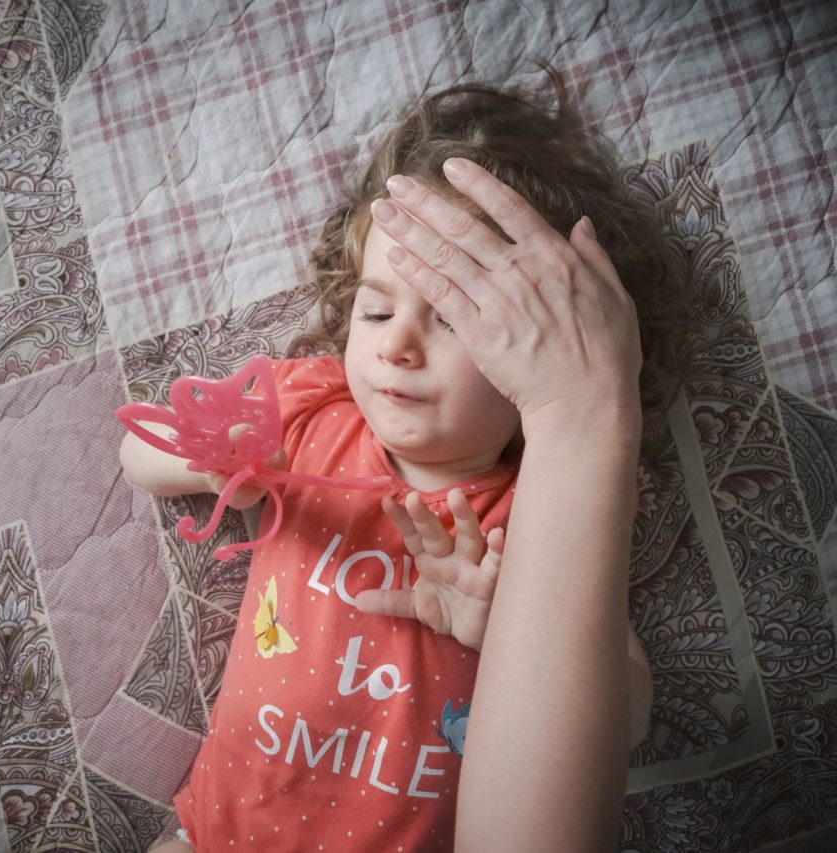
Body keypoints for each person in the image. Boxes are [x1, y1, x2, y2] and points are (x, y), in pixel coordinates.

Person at [125, 65, 692, 852]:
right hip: (217, 833)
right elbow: (140, 448)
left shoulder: (541, 512)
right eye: (377, 309)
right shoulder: (313, 406)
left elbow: (627, 712)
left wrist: (497, 623)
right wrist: (210, 454)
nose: (397, 344)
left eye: (452, 321)